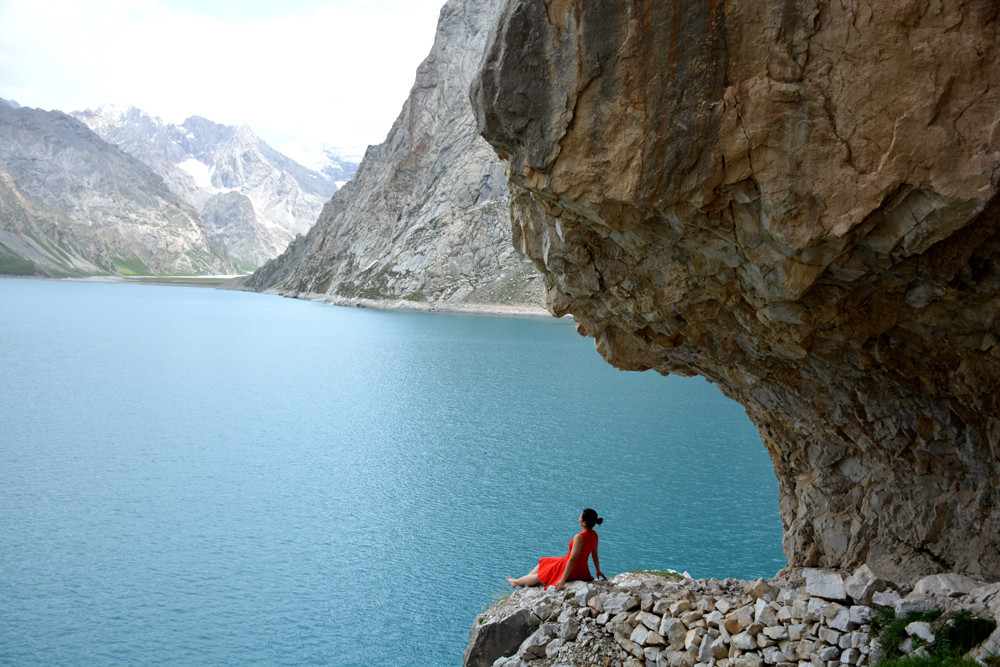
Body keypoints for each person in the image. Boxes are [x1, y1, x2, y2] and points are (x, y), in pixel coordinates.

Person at [506, 508, 607, 591]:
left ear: (584, 523)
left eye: (580, 516)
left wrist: (562, 579)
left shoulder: (579, 537)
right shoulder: (594, 535)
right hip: (581, 568)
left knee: (541, 575)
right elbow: (595, 555)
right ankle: (523, 581)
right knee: (546, 561)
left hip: (571, 567)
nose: (578, 518)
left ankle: (516, 582)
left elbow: (572, 559)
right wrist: (598, 571)